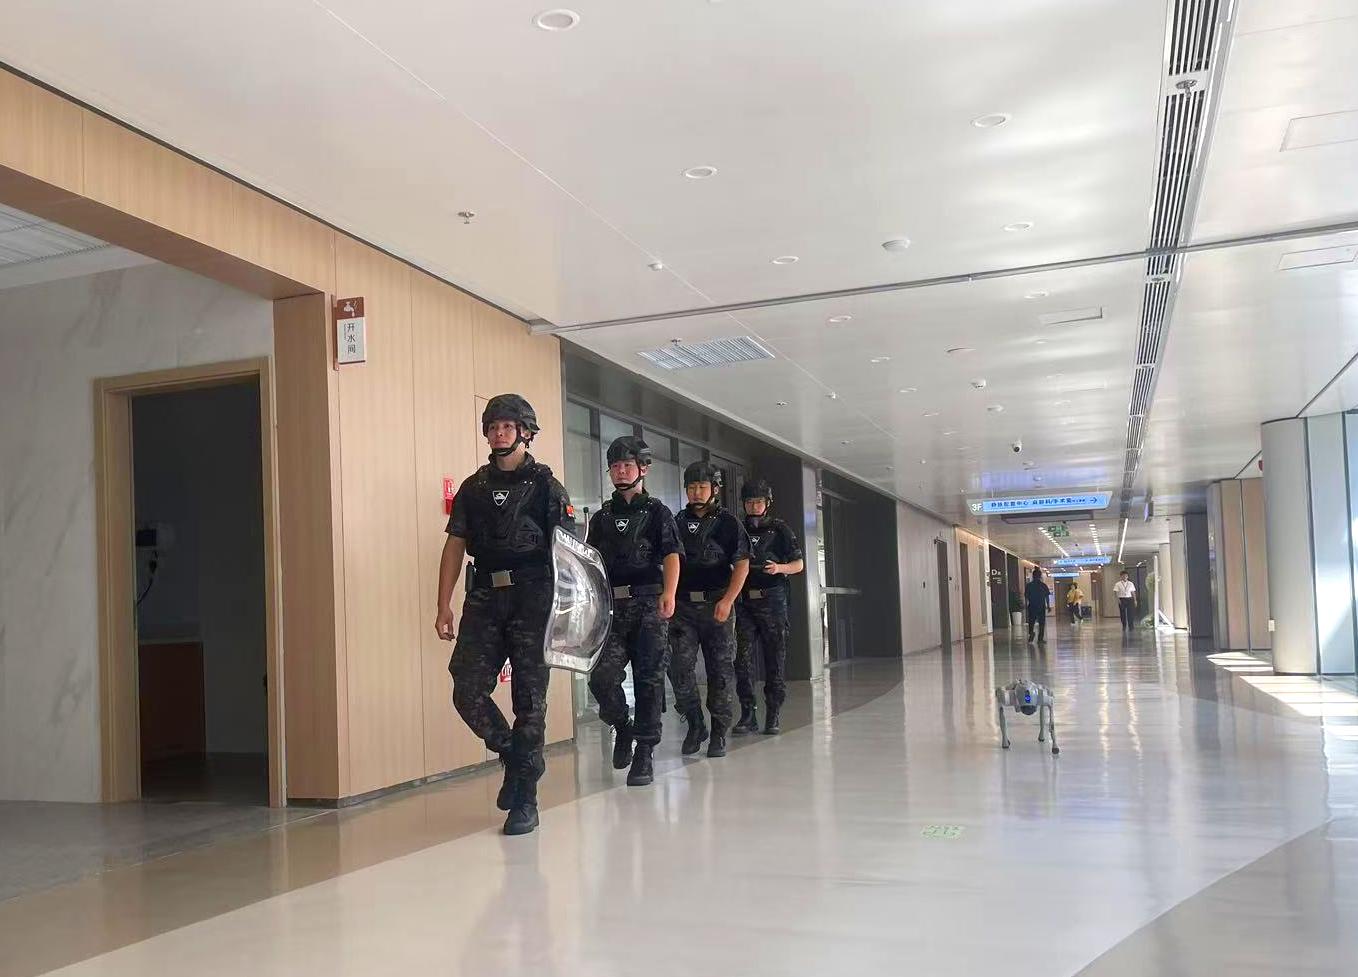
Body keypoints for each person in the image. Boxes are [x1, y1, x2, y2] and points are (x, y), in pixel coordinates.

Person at [435, 394, 576, 836]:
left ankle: (526, 800)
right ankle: (516, 757)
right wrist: (443, 604)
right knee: (466, 689)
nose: (499, 433)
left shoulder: (547, 487)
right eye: (493, 426)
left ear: (525, 432)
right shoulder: (473, 488)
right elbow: (455, 545)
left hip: (534, 597)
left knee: (529, 701)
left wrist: (568, 611)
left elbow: (570, 554)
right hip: (484, 598)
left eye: (507, 426)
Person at [585, 436, 682, 788]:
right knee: (601, 677)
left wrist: (669, 593)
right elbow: (590, 563)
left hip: (648, 605)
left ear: (643, 468)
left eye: (627, 465)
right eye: (614, 466)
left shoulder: (657, 512)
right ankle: (622, 725)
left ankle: (645, 750)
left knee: (648, 679)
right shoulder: (601, 518)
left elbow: (671, 554)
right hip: (612, 608)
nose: (620, 471)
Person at [667, 461, 750, 759]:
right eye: (691, 487)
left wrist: (728, 600)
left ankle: (718, 732)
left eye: (702, 487)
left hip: (718, 605)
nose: (696, 492)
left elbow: (742, 564)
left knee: (720, 672)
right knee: (678, 668)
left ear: (714, 489)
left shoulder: (728, 523)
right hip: (683, 607)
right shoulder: (676, 522)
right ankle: (695, 723)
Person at [733, 479, 804, 736]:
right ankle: (748, 713)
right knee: (742, 660)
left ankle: (773, 713)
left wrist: (779, 568)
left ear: (767, 503)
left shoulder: (779, 529)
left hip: (773, 601)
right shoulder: (737, 528)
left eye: (759, 502)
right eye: (750, 502)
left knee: (774, 659)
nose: (754, 506)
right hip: (744, 602)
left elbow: (798, 564)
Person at [1025, 567, 1051, 643]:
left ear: (1033, 576)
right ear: (1040, 576)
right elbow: (1047, 597)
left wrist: (1027, 604)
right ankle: (1040, 639)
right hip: (1041, 606)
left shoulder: (1029, 585)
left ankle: (1031, 633)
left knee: (1031, 621)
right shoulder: (1043, 585)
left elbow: (1026, 596)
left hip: (1032, 606)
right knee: (1041, 623)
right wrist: (1048, 606)